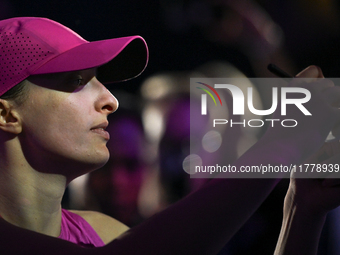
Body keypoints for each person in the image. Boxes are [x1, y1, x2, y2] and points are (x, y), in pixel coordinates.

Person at [0, 16, 340, 255]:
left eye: (99, 81)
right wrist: (284, 142)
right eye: (77, 81)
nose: (111, 100)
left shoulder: (104, 234)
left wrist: (302, 211)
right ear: (6, 113)